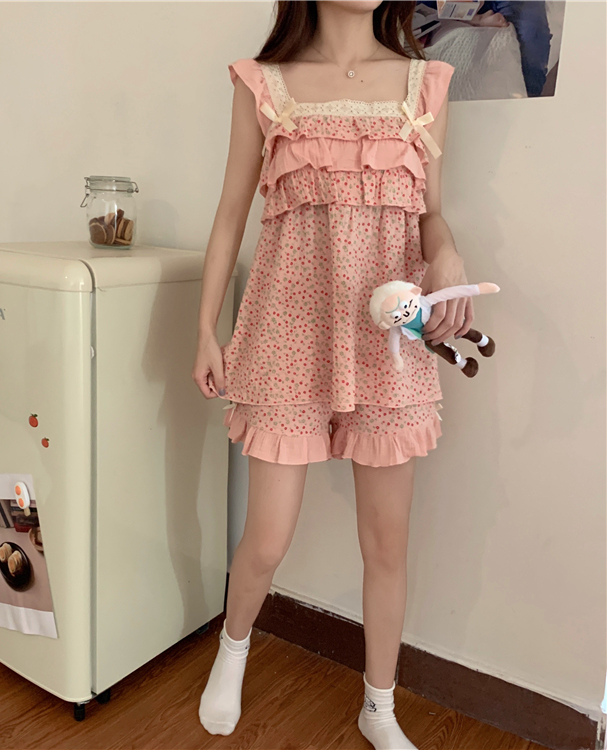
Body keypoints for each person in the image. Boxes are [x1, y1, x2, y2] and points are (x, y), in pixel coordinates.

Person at [192, 2, 467, 747]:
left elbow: (431, 213)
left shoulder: (425, 84)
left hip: (387, 344)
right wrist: (207, 328)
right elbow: (230, 215)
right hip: (287, 333)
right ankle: (233, 651)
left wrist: (447, 253)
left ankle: (379, 706)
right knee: (266, 539)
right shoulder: (263, 84)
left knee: (386, 544)